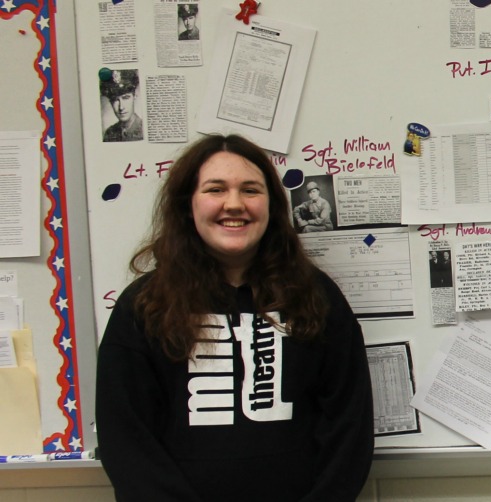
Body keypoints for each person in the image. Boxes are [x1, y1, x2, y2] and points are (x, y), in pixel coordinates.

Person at [97, 134, 374, 501]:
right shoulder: (144, 305)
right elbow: (126, 440)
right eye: (215, 189)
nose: (234, 204)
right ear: (187, 205)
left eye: (250, 190)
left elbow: (349, 425)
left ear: (271, 206)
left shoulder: (316, 297)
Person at [101, 70, 143, 142]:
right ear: (111, 102)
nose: (121, 107)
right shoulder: (109, 133)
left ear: (135, 96)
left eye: (125, 98)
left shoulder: (144, 129)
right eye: (115, 100)